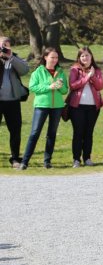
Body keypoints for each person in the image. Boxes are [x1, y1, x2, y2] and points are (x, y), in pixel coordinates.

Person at [19, 47, 69, 170]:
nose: (55, 60)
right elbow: (33, 87)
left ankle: (47, 161)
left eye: (56, 58)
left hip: (57, 106)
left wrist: (60, 86)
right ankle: (24, 162)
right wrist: (49, 86)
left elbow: (65, 90)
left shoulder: (61, 72)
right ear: (45, 57)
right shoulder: (38, 71)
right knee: (34, 133)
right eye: (52, 57)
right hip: (41, 106)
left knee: (52, 134)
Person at [68, 47, 103, 168]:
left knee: (89, 133)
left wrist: (93, 76)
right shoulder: (74, 69)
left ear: (91, 57)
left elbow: (100, 86)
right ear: (79, 58)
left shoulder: (97, 70)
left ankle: (87, 158)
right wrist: (87, 77)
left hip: (93, 107)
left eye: (87, 55)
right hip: (77, 107)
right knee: (78, 133)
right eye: (82, 56)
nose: (85, 58)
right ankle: (76, 159)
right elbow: (73, 85)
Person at [0, 36, 30, 169]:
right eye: (1, 45)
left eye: (6, 45)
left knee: (15, 131)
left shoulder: (15, 58)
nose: (3, 48)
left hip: (13, 101)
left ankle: (15, 158)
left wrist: (11, 57)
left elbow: (24, 70)